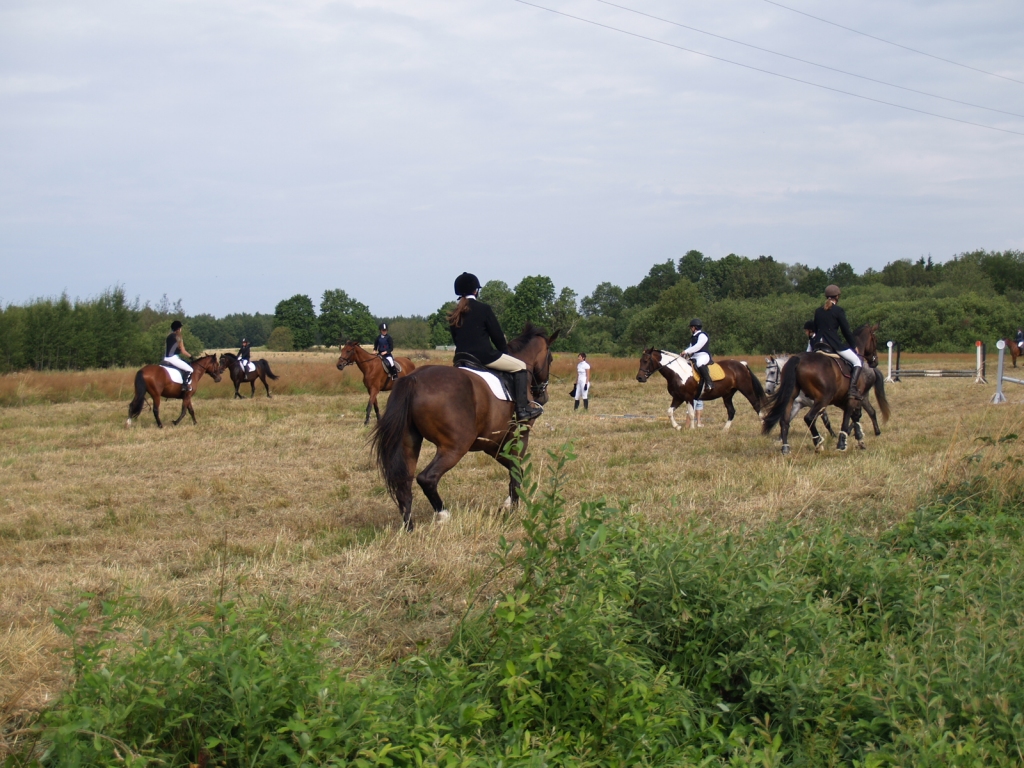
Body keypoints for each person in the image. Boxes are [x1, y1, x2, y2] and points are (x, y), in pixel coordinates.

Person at [448, 272, 543, 422]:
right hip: (484, 357)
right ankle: (523, 409)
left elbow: (456, 339)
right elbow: (497, 336)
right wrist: (505, 353)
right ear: (475, 291)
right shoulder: (484, 309)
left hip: (461, 359)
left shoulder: (455, 312)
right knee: (521, 367)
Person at [813, 284, 863, 401]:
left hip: (818, 344)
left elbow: (816, 328)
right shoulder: (838, 311)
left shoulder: (818, 311)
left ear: (827, 296)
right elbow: (846, 331)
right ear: (837, 297)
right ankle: (852, 390)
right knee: (857, 362)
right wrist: (853, 345)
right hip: (832, 344)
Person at [682, 318, 714, 397]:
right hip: (695, 356)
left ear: (694, 327)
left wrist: (686, 351)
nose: (690, 329)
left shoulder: (702, 335)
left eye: (691, 327)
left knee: (699, 364)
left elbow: (698, 346)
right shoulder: (693, 337)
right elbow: (691, 347)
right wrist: (684, 355)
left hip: (703, 355)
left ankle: (709, 383)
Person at [163, 320, 193, 394]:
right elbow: (183, 351)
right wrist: (191, 356)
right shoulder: (179, 337)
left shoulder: (168, 336)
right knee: (190, 369)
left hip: (165, 358)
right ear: (179, 328)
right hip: (173, 358)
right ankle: (185, 385)